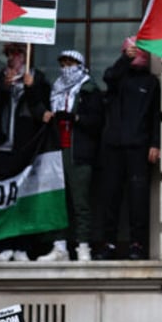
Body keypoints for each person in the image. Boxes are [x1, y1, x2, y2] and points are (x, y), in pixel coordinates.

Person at [94, 36, 162, 261]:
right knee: (110, 197)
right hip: (113, 147)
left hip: (138, 147)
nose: (138, 55)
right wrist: (124, 59)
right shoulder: (118, 78)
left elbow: (155, 115)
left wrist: (155, 143)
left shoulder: (151, 82)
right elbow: (109, 77)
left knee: (138, 200)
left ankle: (137, 244)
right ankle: (108, 243)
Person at [36, 50, 104, 262]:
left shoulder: (89, 89)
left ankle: (83, 246)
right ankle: (59, 246)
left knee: (80, 201)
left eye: (70, 63)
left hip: (79, 153)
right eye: (63, 63)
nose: (66, 67)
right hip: (57, 150)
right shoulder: (55, 88)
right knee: (58, 201)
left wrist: (75, 117)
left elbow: (97, 121)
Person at [0, 42, 52, 262]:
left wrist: (30, 88)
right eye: (8, 54)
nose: (11, 58)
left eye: (16, 53)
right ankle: (3, 245)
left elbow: (42, 112)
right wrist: (4, 88)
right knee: (3, 199)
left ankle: (22, 247)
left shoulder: (40, 80)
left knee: (25, 199)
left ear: (26, 55)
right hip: (2, 148)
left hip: (26, 148)